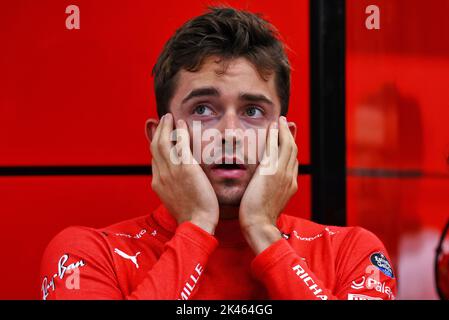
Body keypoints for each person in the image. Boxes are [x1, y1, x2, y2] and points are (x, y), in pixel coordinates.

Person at [40, 7, 396, 300]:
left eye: (252, 111)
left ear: (284, 139)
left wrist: (261, 231)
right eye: (203, 110)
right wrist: (196, 226)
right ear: (161, 137)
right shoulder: (84, 254)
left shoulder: (352, 253)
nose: (230, 134)